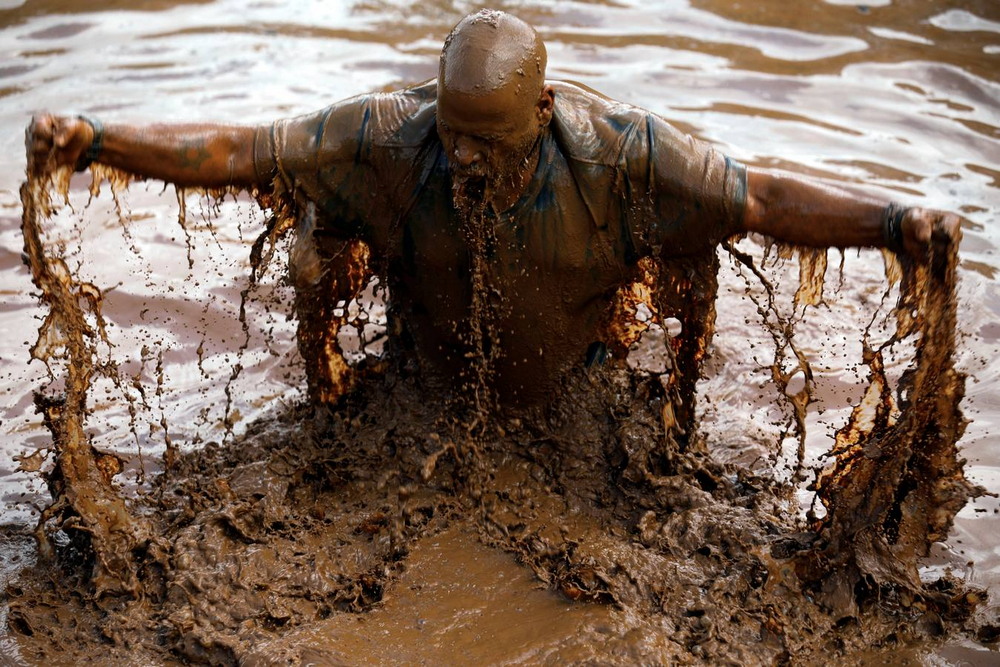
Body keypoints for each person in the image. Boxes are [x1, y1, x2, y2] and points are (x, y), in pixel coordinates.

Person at [27, 9, 960, 416]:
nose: (462, 157)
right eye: (452, 132)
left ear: (544, 115)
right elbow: (239, 149)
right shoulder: (391, 138)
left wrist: (892, 223)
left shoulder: (623, 159)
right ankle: (331, 390)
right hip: (422, 368)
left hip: (576, 371)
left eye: (488, 141)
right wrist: (95, 136)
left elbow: (758, 196)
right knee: (316, 243)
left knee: (686, 282)